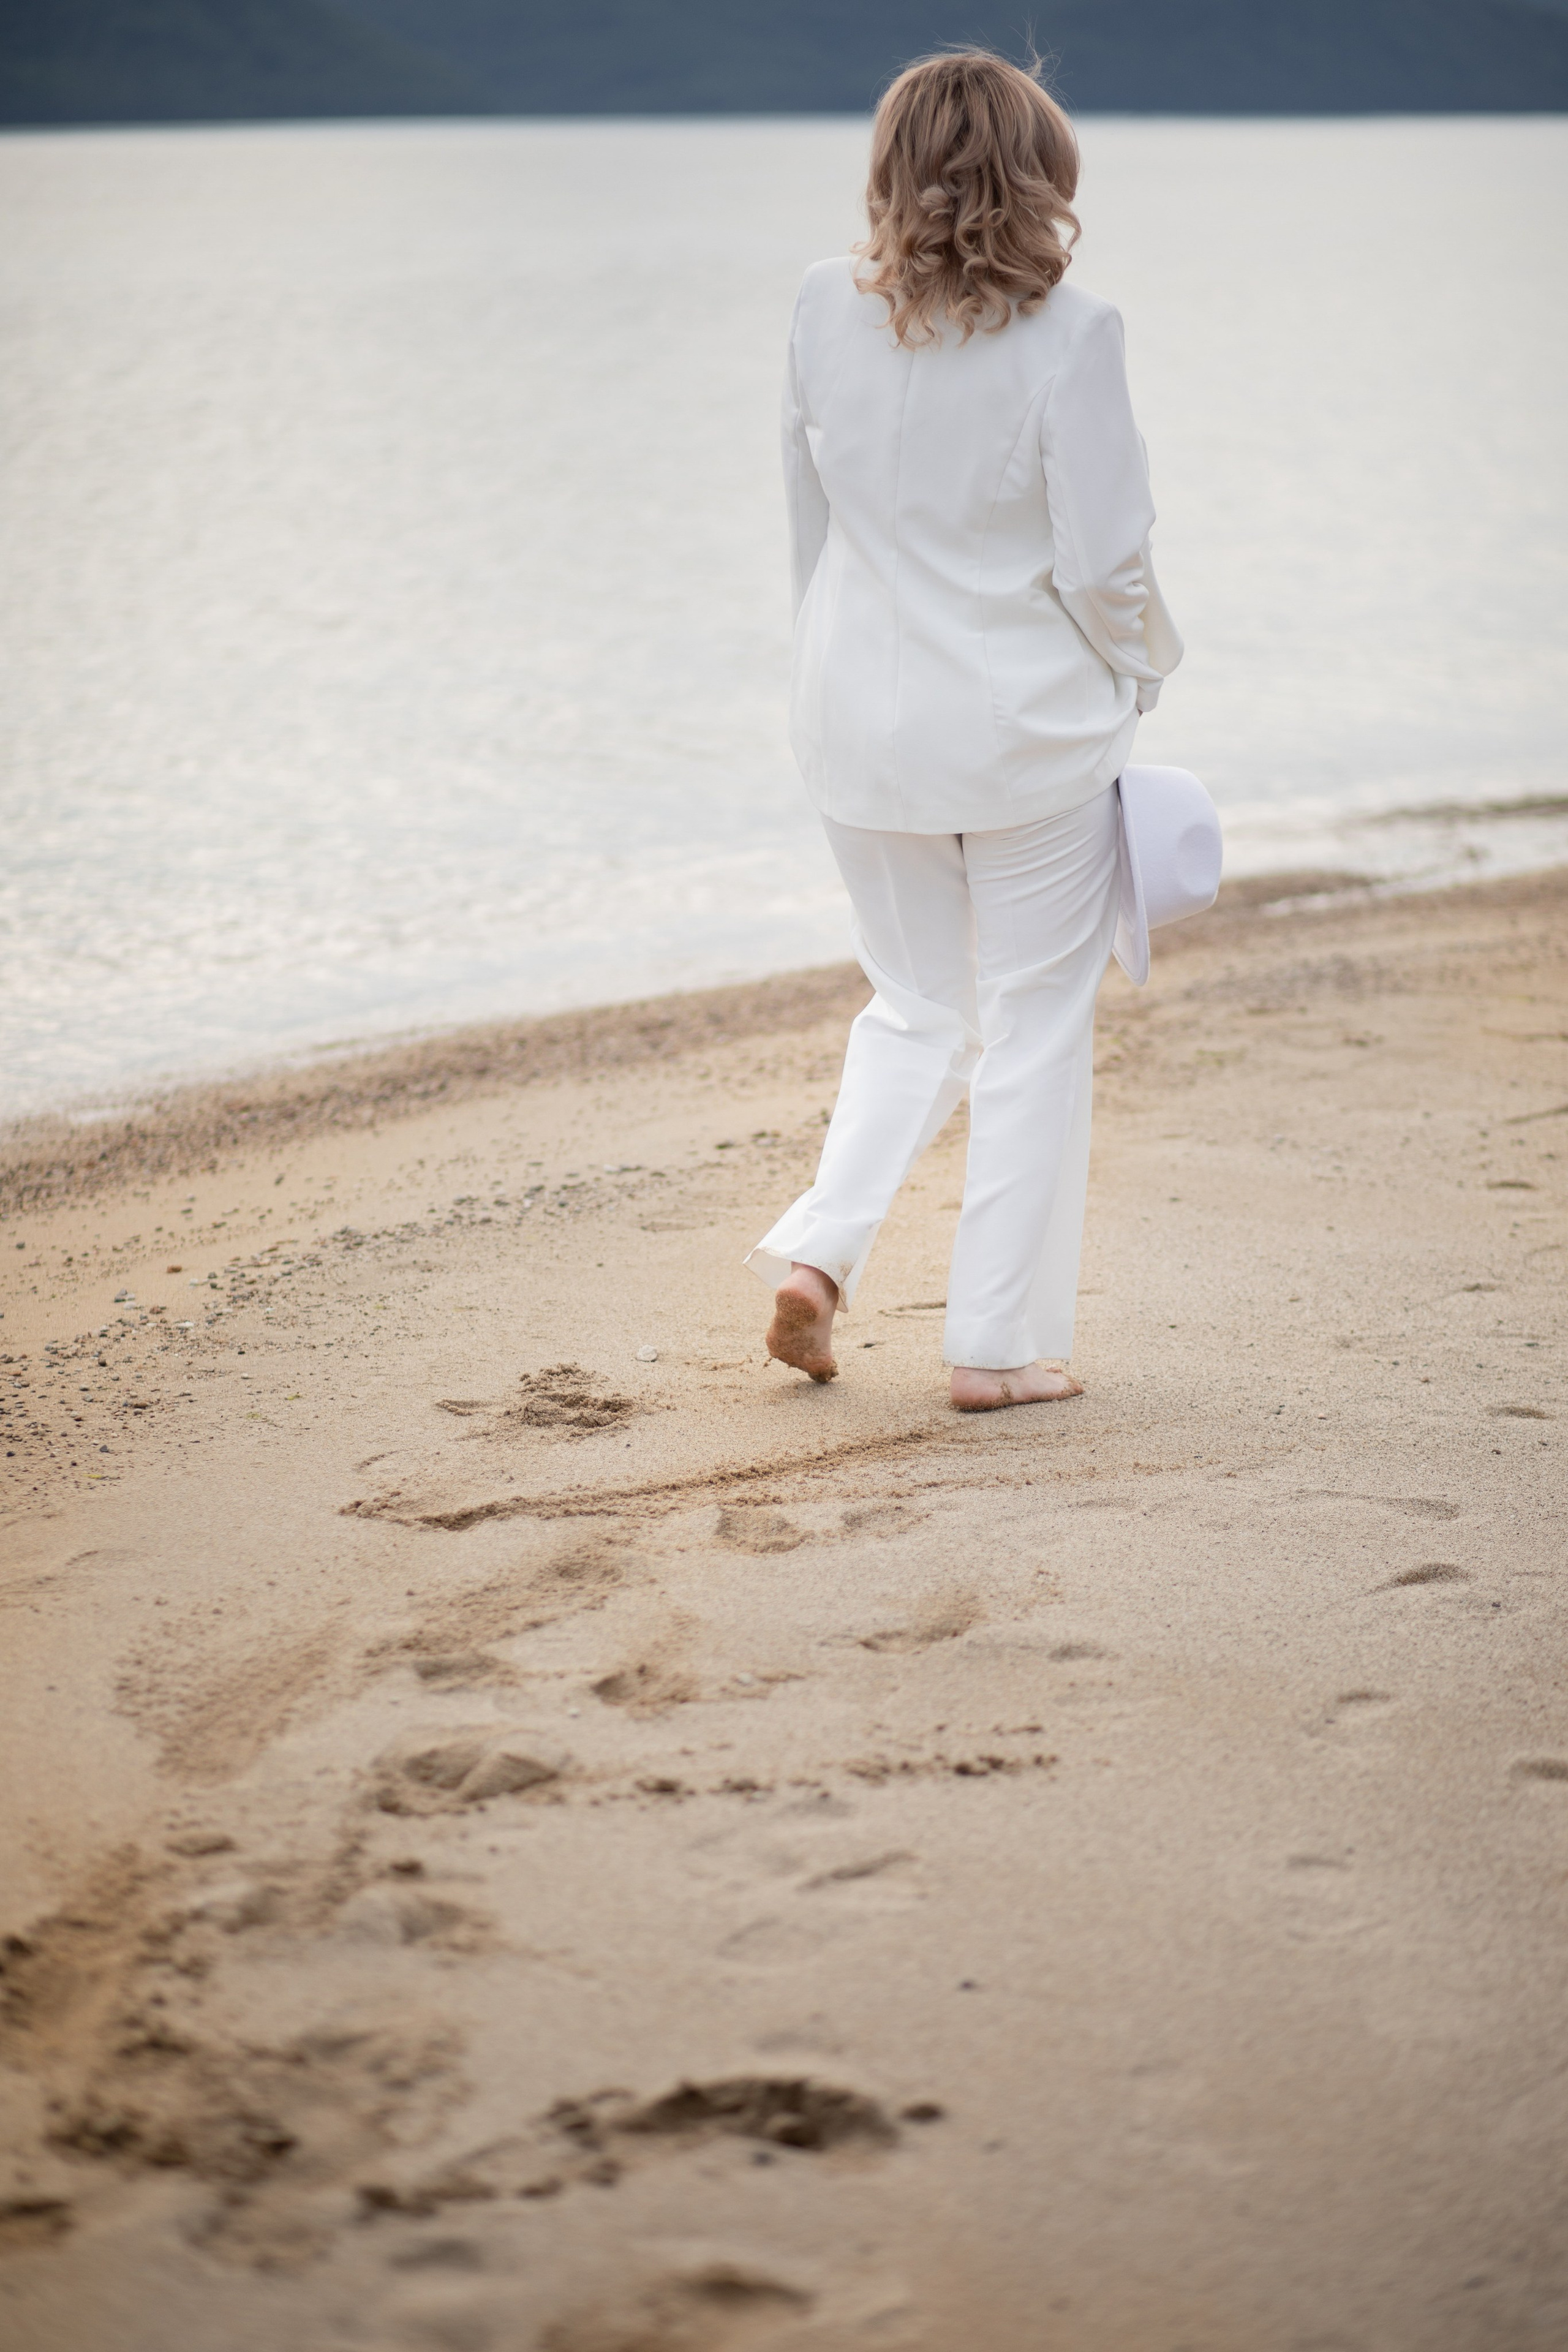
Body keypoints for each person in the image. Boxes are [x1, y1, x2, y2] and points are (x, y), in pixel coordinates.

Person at [747, 48, 1183, 1411]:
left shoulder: (824, 307)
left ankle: (820, 1256)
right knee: (1033, 1023)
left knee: (914, 1002)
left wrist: (827, 668)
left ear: (890, 170)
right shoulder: (1074, 333)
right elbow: (1104, 565)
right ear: (1039, 175)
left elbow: (806, 533)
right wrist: (1146, 674)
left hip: (854, 727)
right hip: (1021, 736)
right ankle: (994, 1348)